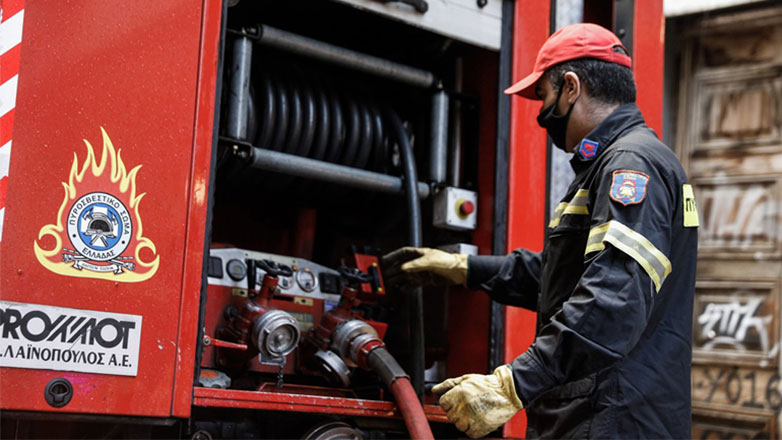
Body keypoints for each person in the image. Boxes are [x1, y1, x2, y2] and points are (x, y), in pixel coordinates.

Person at [383, 23, 699, 439]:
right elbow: (565, 279)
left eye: (543, 96)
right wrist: (463, 268)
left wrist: (512, 385)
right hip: (601, 415)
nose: (540, 113)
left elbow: (612, 301)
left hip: (614, 421)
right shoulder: (615, 162)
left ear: (571, 87)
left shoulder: (630, 164)